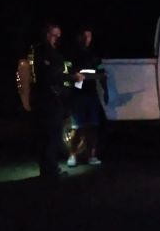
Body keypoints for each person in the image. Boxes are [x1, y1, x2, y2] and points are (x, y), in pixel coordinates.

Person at [31, 23, 85, 180]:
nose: (57, 39)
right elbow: (49, 76)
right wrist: (71, 78)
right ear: (48, 34)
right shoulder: (42, 52)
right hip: (48, 99)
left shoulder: (52, 52)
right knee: (51, 135)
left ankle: (48, 169)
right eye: (55, 35)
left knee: (50, 134)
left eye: (59, 36)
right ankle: (49, 170)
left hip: (54, 98)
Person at [67, 27, 108, 167]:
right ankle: (72, 156)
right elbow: (67, 74)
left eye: (89, 36)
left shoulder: (94, 55)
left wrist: (106, 91)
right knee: (77, 127)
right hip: (78, 95)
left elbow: (102, 73)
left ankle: (92, 156)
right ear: (79, 37)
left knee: (93, 127)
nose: (87, 39)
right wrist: (74, 77)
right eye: (84, 36)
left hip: (92, 94)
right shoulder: (72, 54)